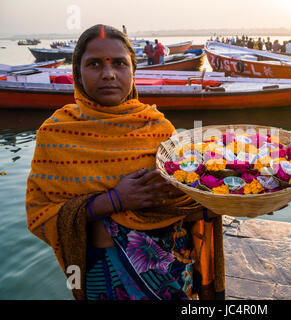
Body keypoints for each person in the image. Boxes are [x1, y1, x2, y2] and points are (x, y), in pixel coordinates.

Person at [25, 24, 232, 301]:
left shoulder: (159, 128)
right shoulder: (55, 134)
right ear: (78, 72)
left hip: (171, 266)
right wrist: (115, 200)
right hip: (108, 274)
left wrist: (237, 195)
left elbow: (185, 198)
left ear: (133, 71)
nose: (108, 74)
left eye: (120, 64)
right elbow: (41, 215)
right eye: (95, 64)